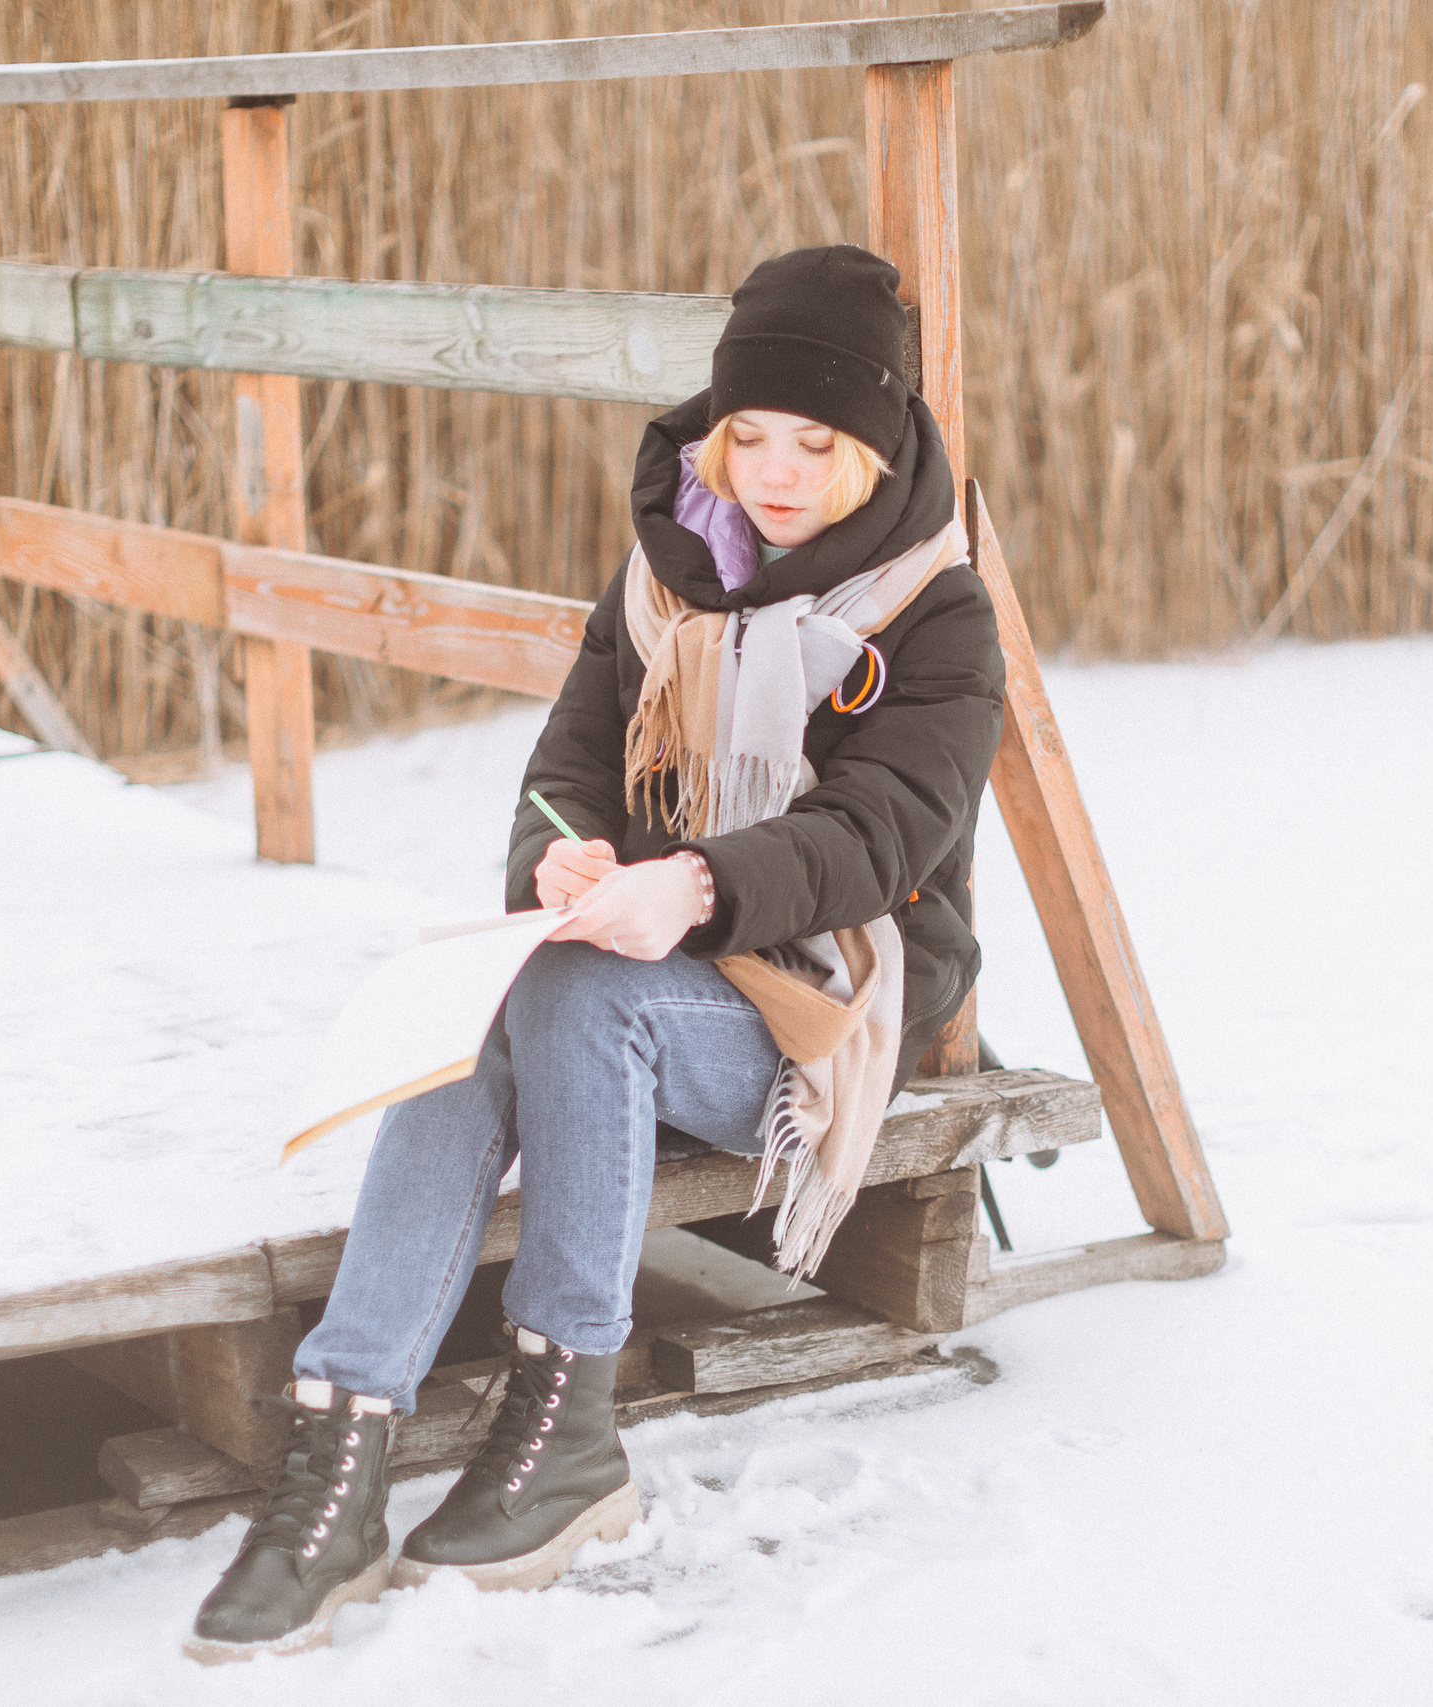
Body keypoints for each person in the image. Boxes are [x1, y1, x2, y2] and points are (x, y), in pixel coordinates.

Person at [185, 245, 1005, 1662]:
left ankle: (567, 1418)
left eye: (818, 443)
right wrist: (560, 857)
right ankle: (344, 1441)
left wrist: (688, 884)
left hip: (825, 995)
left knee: (577, 998)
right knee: (517, 977)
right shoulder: (667, 577)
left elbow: (882, 838)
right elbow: (571, 761)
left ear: (877, 443)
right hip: (649, 953)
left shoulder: (936, 615)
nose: (778, 473)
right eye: (748, 436)